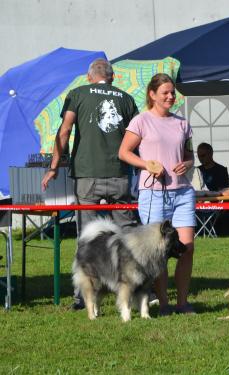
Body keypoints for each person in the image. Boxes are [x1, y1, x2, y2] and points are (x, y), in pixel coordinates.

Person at [41, 58, 139, 309]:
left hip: (86, 176)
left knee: (87, 236)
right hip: (119, 174)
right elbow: (137, 136)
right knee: (127, 234)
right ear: (113, 77)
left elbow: (64, 132)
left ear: (89, 77)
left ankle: (82, 294)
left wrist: (54, 167)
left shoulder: (77, 94)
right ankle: (136, 288)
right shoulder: (126, 99)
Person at [118, 73, 196, 316]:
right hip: (153, 193)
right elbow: (124, 152)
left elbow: (189, 155)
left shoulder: (182, 123)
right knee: (159, 251)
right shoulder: (141, 121)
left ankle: (182, 303)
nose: (171, 96)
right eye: (165, 92)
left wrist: (188, 163)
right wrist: (146, 164)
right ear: (152, 95)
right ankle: (164, 304)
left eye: (173, 92)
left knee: (188, 247)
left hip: (182, 192)